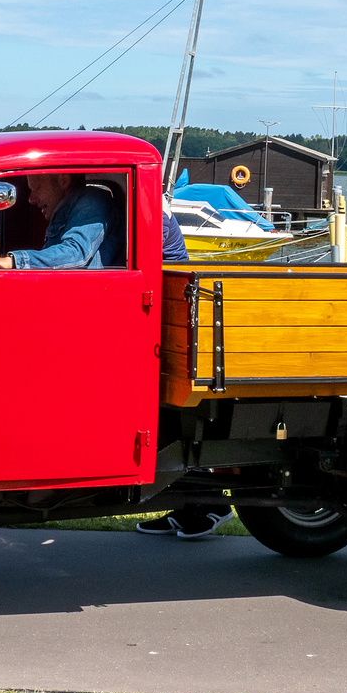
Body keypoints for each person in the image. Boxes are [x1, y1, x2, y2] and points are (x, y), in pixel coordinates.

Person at [137, 210, 234, 539]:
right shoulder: (131, 208)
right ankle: (185, 504)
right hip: (164, 325)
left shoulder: (154, 218)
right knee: (171, 425)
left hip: (174, 326)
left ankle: (212, 504)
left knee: (180, 425)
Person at [0, 173, 122, 272]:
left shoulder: (92, 201)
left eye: (36, 188)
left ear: (63, 180)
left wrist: (9, 261)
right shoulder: (66, 212)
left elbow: (75, 254)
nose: (31, 199)